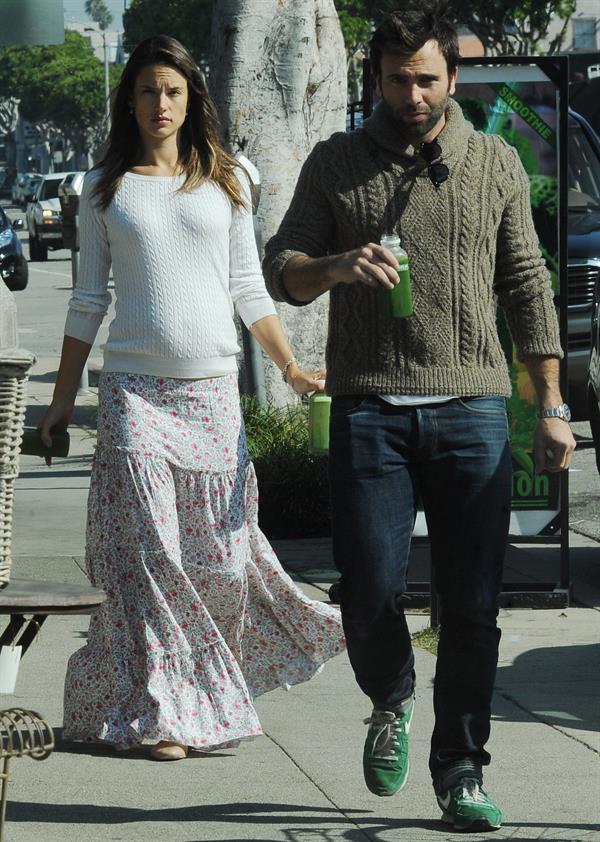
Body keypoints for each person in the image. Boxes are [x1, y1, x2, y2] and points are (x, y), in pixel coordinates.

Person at [263, 2, 575, 831]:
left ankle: (461, 767)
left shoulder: (496, 161)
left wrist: (551, 405)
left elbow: (529, 288)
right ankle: (392, 697)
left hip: (473, 409)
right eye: (398, 79)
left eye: (427, 79)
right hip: (370, 408)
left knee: (472, 605)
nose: (412, 94)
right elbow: (281, 271)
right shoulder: (335, 163)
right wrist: (336, 265)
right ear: (376, 79)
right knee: (366, 591)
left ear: (452, 80)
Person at [40, 34, 344, 762]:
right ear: (130, 100)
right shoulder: (103, 187)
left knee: (217, 560)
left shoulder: (232, 177)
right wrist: (58, 404)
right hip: (133, 396)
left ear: (192, 98)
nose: (160, 105)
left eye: (172, 91)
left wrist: (293, 368)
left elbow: (246, 285)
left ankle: (198, 690)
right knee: (150, 557)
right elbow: (88, 299)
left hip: (212, 395)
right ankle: (163, 713)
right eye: (147, 91)